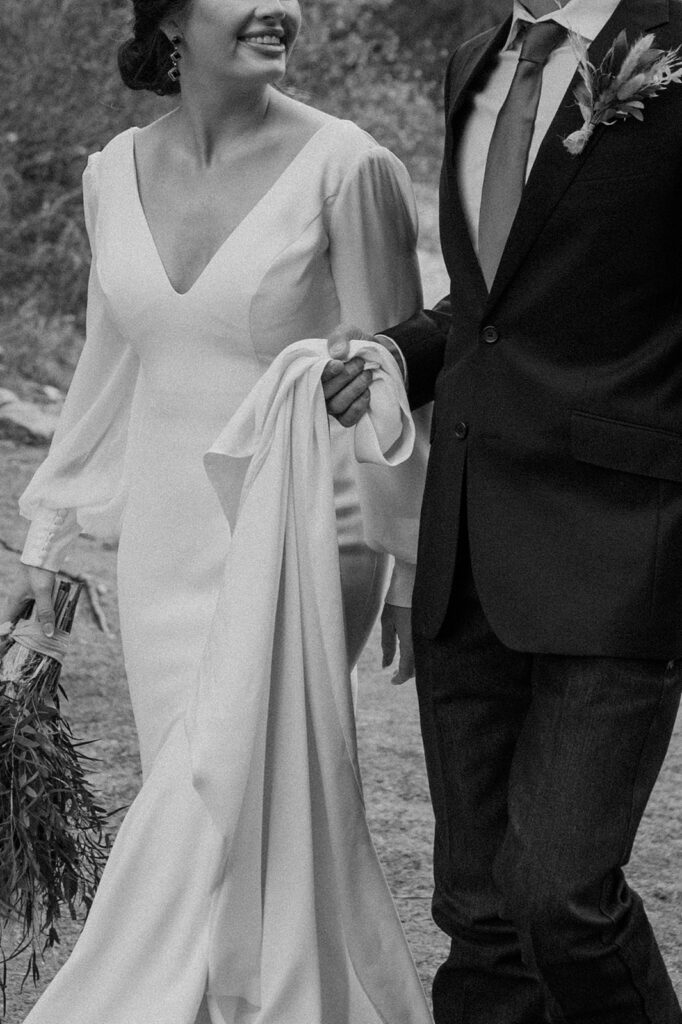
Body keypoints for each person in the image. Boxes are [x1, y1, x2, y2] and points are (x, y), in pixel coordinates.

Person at [0, 1, 433, 1021]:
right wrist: (50, 533)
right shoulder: (112, 171)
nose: (278, 5)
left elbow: (402, 380)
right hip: (163, 537)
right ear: (171, 21)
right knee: (194, 802)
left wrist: (413, 561)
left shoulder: (347, 163)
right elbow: (110, 368)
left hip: (305, 529)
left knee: (221, 790)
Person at [324, 0, 682, 1021]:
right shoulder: (474, 62)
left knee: (559, 899)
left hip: (619, 543)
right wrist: (399, 351)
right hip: (468, 537)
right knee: (479, 913)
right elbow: (488, 307)